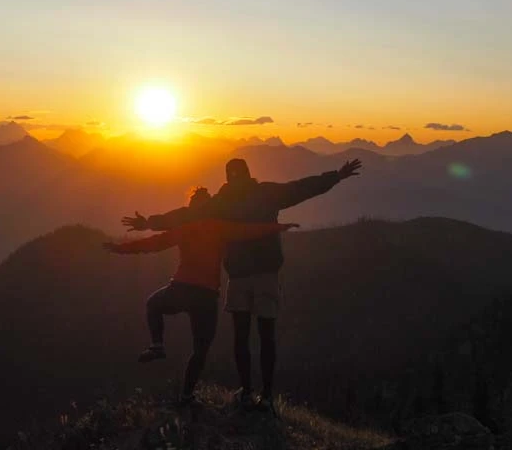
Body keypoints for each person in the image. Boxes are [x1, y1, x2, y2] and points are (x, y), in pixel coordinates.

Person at [121, 158, 362, 412]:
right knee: (266, 336)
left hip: (238, 276)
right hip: (266, 274)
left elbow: (187, 215)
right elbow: (301, 188)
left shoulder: (221, 203)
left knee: (241, 338)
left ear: (227, 177)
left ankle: (246, 392)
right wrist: (336, 176)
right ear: (249, 173)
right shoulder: (267, 193)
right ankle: (266, 396)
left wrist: (149, 222)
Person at [106, 186, 299, 406]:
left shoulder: (185, 228)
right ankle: (187, 396)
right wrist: (278, 227)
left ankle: (158, 345)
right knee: (200, 349)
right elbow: (248, 230)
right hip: (206, 296)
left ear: (190, 206)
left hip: (181, 288)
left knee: (153, 305)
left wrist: (120, 249)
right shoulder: (218, 227)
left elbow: (153, 244)